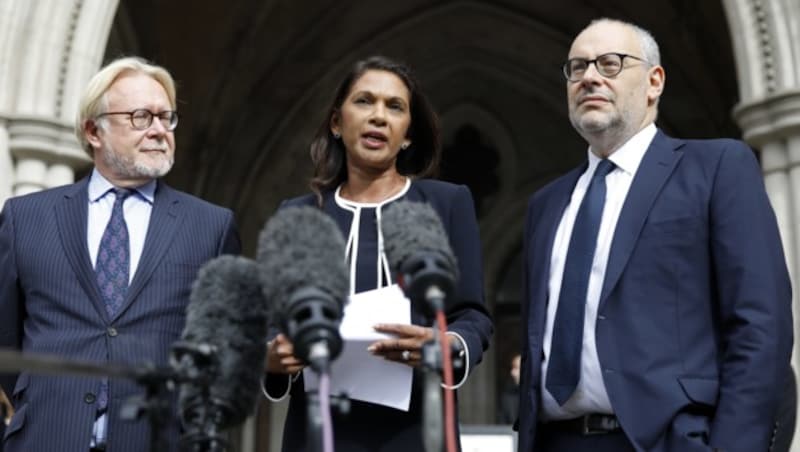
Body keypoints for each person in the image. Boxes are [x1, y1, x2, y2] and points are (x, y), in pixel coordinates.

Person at [517, 18, 793, 452]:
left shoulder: (716, 168)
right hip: (556, 441)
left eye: (609, 64)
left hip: (671, 441)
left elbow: (760, 325)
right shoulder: (547, 204)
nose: (589, 77)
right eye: (576, 68)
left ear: (654, 81)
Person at [0, 57, 240, 452]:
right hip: (45, 437)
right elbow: (5, 332)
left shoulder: (210, 226)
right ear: (94, 130)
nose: (160, 130)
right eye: (142, 117)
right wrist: (42, 400)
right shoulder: (26, 218)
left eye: (167, 118)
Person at [261, 55, 493, 451]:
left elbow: (472, 316)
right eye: (364, 101)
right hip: (318, 432)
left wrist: (447, 344)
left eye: (395, 107)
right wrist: (273, 357)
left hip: (417, 431)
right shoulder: (297, 215)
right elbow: (270, 326)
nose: (379, 116)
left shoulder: (446, 204)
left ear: (407, 135)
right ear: (337, 122)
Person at [497, 353, 521, 425]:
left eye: (516, 368)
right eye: (512, 368)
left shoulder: (539, 396)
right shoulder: (507, 397)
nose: (512, 373)